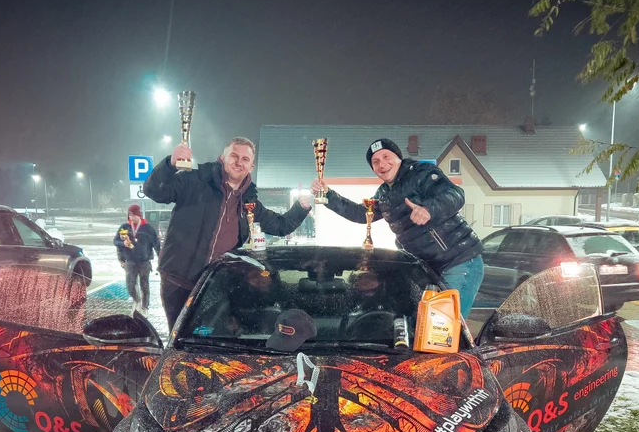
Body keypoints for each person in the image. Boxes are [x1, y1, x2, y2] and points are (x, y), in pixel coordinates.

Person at [142, 136, 312, 330]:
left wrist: (301, 207)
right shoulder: (195, 181)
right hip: (179, 280)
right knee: (179, 336)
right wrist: (169, 164)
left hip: (216, 285)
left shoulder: (249, 203)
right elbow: (153, 190)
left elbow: (281, 226)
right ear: (222, 158)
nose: (239, 162)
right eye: (234, 156)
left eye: (245, 159)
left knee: (214, 337)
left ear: (251, 167)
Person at [311, 138, 484, 319]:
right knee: (425, 325)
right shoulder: (384, 193)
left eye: (386, 157)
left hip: (458, 260)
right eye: (375, 162)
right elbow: (361, 213)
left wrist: (428, 209)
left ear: (398, 157)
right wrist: (328, 195)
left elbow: (455, 194)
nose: (382, 164)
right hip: (427, 269)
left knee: (445, 325)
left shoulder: (421, 173)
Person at [113, 203, 160, 314]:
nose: (131, 218)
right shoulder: (125, 227)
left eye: (133, 215)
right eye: (129, 215)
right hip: (130, 261)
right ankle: (137, 299)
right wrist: (123, 244)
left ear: (139, 215)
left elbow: (157, 245)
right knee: (130, 285)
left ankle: (145, 307)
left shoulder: (148, 228)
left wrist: (161, 259)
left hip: (144, 261)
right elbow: (115, 241)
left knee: (145, 286)